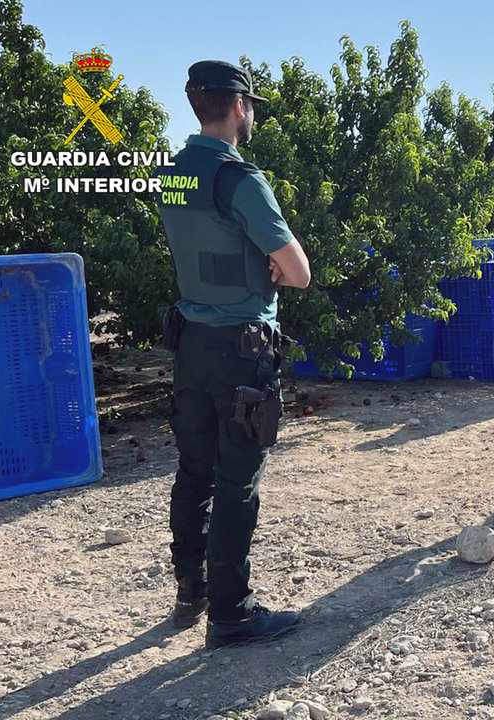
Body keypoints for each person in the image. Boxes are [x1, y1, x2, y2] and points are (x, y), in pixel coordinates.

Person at [155, 60, 312, 649]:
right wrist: (268, 262)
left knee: (193, 471)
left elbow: (203, 248)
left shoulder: (170, 174)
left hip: (190, 345)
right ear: (239, 107)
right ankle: (232, 613)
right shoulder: (241, 179)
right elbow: (298, 272)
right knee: (236, 481)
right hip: (241, 350)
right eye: (251, 108)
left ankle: (190, 588)